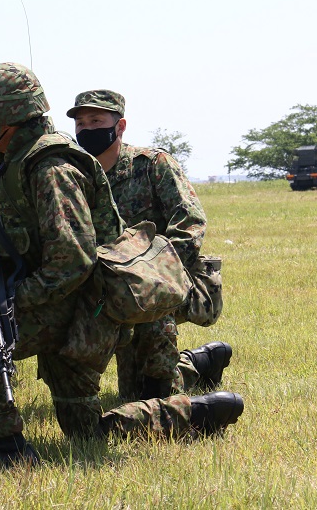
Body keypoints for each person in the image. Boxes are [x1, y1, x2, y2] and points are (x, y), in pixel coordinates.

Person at [0, 63, 243, 467]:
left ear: (5, 119)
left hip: (88, 308)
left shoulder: (52, 168)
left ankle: (9, 451)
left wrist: (11, 300)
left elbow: (73, 261)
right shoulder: (11, 163)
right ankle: (192, 413)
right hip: (65, 301)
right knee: (84, 429)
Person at [67, 90, 231, 400]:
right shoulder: (74, 176)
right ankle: (195, 362)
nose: (87, 129)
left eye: (96, 120)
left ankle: (185, 369)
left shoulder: (153, 164)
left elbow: (190, 221)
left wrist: (155, 275)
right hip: (104, 288)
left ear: (120, 126)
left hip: (160, 284)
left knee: (145, 397)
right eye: (81, 123)